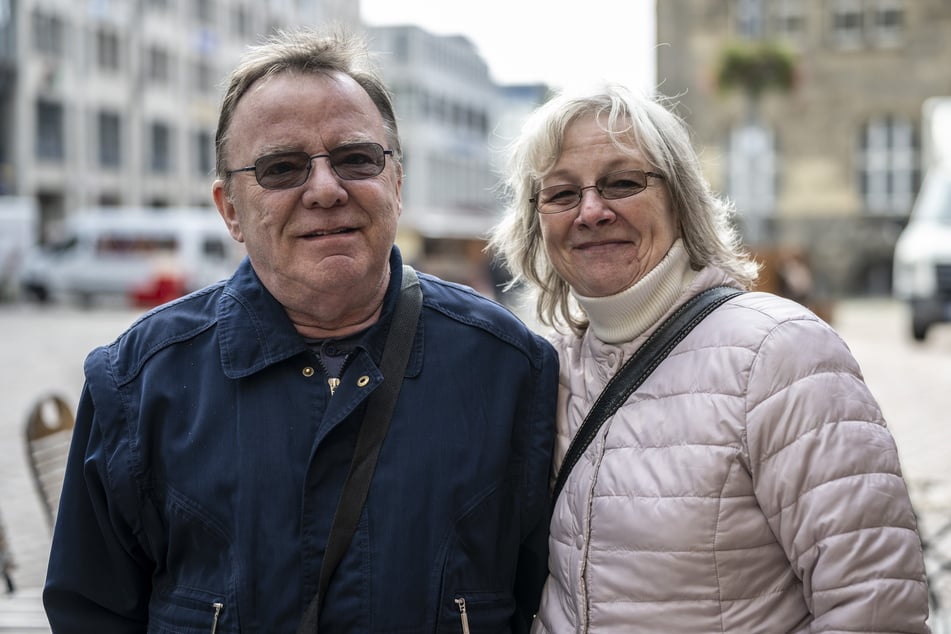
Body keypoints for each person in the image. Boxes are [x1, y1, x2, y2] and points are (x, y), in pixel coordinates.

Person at [44, 28, 558, 633]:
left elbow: (543, 600)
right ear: (230, 208)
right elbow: (91, 613)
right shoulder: (137, 384)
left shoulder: (509, 369)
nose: (324, 189)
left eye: (355, 159)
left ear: (396, 182)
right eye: (281, 168)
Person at [489, 84, 931, 632]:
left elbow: (876, 608)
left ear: (681, 200)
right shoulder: (547, 370)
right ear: (537, 221)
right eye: (560, 194)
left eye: (623, 183)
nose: (592, 211)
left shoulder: (779, 354)